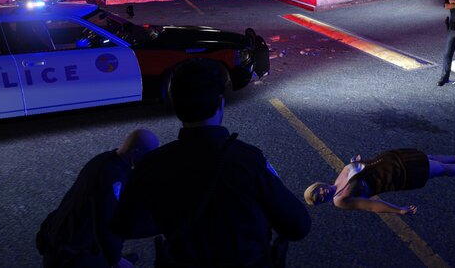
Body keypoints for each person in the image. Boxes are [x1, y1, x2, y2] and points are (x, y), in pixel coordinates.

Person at [112, 59, 310, 267]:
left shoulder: (152, 164)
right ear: (220, 102)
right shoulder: (246, 160)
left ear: (175, 102)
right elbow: (298, 226)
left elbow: (124, 225)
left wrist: (172, 218)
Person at [36, 129, 161, 268]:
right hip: (72, 254)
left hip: (60, 234)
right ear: (135, 152)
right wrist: (115, 259)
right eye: (148, 156)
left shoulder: (105, 159)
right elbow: (105, 224)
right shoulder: (113, 179)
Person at [303, 141, 455, 214]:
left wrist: (356, 162)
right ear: (321, 202)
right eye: (319, 198)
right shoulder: (340, 200)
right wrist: (398, 210)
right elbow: (371, 206)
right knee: (437, 168)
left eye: (317, 190)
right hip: (397, 175)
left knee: (429, 158)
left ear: (318, 185)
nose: (322, 193)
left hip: (391, 159)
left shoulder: (338, 179)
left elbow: (359, 168)